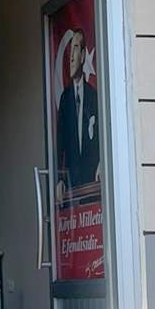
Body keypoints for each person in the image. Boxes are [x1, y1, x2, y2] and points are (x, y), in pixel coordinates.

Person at [55, 30, 100, 203]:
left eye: (75, 50)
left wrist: (102, 163)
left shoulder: (93, 96)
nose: (71, 57)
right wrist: (59, 178)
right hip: (72, 188)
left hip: (91, 187)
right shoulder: (65, 99)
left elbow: (101, 137)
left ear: (83, 55)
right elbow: (59, 142)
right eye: (69, 52)